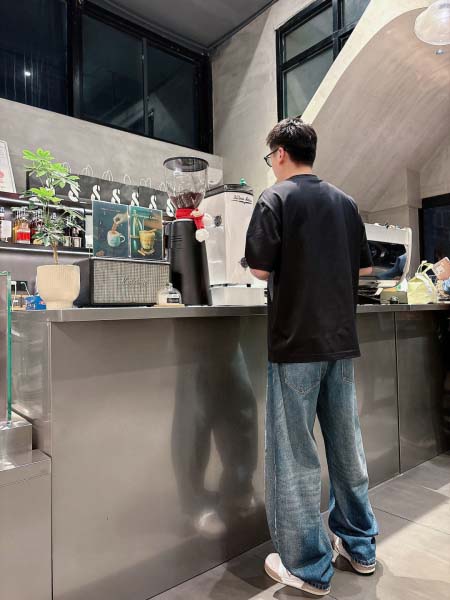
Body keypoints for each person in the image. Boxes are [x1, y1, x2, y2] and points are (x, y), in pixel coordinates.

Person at [245, 118, 378, 596]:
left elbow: (259, 270)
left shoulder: (274, 199)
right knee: (347, 447)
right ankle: (359, 547)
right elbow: (364, 269)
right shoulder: (346, 202)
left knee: (295, 456)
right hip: (340, 342)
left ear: (280, 153)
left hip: (296, 342)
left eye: (270, 156)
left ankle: (308, 566)